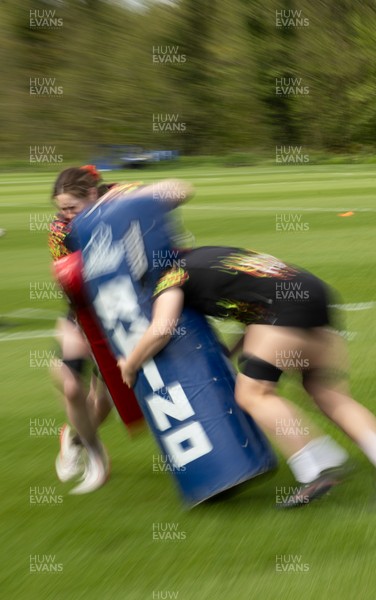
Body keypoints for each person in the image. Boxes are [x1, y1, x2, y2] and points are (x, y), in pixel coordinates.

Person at [118, 245, 376, 507]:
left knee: (254, 394)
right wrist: (229, 352)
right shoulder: (212, 254)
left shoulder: (172, 276)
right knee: (329, 395)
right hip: (315, 294)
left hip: (283, 308)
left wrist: (131, 364)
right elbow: (255, 306)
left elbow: (162, 329)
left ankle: (319, 465)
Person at [49, 165, 140, 494]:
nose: (66, 215)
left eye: (72, 207)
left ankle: (72, 437)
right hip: (82, 310)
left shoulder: (120, 197)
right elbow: (68, 281)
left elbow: (156, 196)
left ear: (91, 194)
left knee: (102, 402)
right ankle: (95, 454)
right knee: (71, 386)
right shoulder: (60, 229)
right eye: (62, 209)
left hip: (117, 310)